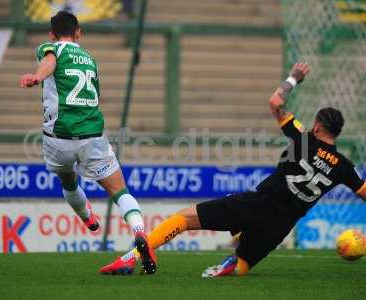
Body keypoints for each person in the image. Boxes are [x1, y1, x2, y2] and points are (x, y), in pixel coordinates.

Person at [99, 62, 366, 277]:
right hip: (280, 226)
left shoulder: (304, 138)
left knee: (184, 220)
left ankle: (130, 258)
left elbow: (275, 102)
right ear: (337, 133)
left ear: (318, 127)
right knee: (242, 266)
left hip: (258, 204)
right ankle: (233, 259)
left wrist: (294, 78)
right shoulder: (344, 167)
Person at [20, 10, 156, 274]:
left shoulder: (50, 48)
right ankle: (140, 233)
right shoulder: (90, 59)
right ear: (79, 32)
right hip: (92, 138)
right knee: (120, 192)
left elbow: (49, 61)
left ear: (52, 34)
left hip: (58, 139)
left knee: (69, 182)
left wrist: (38, 76)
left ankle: (88, 219)